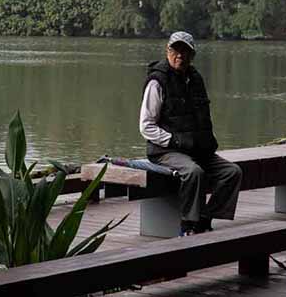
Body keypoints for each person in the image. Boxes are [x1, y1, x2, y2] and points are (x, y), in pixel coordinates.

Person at [99, 31, 242, 236]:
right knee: (194, 172)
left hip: (195, 149)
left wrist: (203, 143)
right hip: (164, 150)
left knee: (232, 172)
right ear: (168, 51)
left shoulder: (195, 79)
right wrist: (175, 140)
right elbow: (146, 126)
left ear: (193, 55)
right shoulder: (157, 81)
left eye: (185, 51)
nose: (180, 55)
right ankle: (188, 225)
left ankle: (205, 218)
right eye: (176, 50)